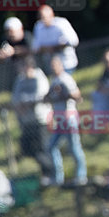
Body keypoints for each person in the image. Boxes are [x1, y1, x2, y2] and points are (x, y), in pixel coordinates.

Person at [12, 56, 55, 185]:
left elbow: (40, 96)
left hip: (40, 120)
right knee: (27, 148)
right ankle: (46, 172)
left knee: (42, 148)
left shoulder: (39, 78)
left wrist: (25, 103)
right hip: (27, 122)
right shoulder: (20, 80)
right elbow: (15, 98)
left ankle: (50, 174)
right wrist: (21, 105)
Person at [45, 55, 88, 186]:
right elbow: (47, 97)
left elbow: (77, 95)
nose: (53, 68)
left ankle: (81, 176)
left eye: (55, 65)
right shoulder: (53, 80)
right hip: (59, 120)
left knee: (74, 147)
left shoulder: (66, 79)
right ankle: (58, 178)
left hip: (69, 119)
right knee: (51, 147)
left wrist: (63, 93)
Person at [31, 5, 79, 74]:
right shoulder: (38, 27)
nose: (43, 19)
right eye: (41, 17)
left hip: (66, 63)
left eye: (45, 17)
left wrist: (57, 47)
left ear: (52, 15)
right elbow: (35, 47)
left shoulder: (61, 23)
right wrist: (46, 49)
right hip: (51, 66)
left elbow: (74, 41)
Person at [0, 16, 33, 89]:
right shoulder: (5, 40)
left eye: (12, 31)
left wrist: (14, 51)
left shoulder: (27, 37)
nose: (10, 34)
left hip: (32, 72)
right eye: (7, 31)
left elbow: (31, 50)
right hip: (16, 77)